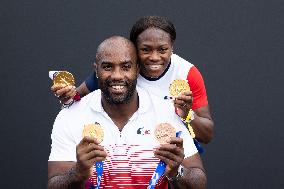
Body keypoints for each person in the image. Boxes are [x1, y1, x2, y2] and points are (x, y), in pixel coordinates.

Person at [48, 36, 206, 189]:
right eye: (108, 67)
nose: (117, 75)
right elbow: (54, 184)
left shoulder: (167, 113)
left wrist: (176, 172)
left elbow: (200, 182)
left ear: (137, 69)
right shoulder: (70, 116)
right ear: (96, 69)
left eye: (125, 67)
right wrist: (78, 173)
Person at [52, 16, 214, 144]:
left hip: (170, 155)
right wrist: (66, 96)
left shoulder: (187, 73)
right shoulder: (118, 73)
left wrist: (187, 114)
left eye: (163, 50)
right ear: (134, 49)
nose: (154, 57)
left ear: (172, 47)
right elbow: (74, 102)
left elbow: (206, 135)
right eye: (145, 50)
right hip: (127, 151)